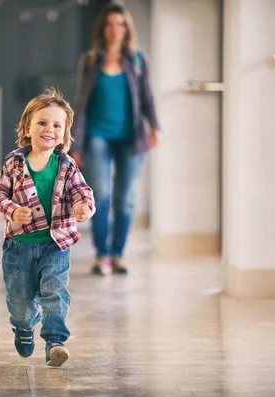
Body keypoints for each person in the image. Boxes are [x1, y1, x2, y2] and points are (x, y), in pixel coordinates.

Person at [0, 88, 95, 367]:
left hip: (55, 245)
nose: (49, 129)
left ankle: (55, 342)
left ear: (64, 133)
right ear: (27, 127)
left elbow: (81, 191)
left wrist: (82, 207)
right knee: (21, 301)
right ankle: (24, 329)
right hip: (19, 247)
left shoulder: (67, 165)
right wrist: (12, 211)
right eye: (42, 123)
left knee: (55, 291)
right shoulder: (14, 163)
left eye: (57, 125)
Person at [70, 3, 161, 276]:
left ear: (126, 28)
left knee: (125, 199)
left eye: (120, 24)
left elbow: (147, 96)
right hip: (98, 135)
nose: (114, 29)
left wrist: (155, 125)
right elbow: (81, 102)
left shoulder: (137, 61)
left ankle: (118, 253)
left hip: (130, 137)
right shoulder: (90, 61)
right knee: (101, 194)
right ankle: (101, 255)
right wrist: (77, 143)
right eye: (109, 24)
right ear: (102, 29)